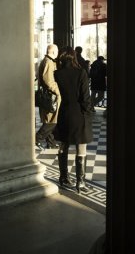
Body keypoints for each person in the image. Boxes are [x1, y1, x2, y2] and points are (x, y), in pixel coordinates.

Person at [54, 46, 93, 193]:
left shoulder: (57, 74)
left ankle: (63, 178)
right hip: (78, 114)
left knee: (63, 144)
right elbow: (85, 98)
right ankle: (80, 183)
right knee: (80, 147)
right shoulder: (81, 73)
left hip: (64, 112)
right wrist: (88, 113)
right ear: (74, 57)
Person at [35, 44, 61, 149]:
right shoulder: (49, 62)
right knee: (52, 121)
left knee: (50, 119)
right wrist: (58, 92)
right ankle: (37, 138)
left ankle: (51, 142)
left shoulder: (45, 61)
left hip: (48, 95)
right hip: (51, 96)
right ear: (54, 52)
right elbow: (49, 81)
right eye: (57, 51)